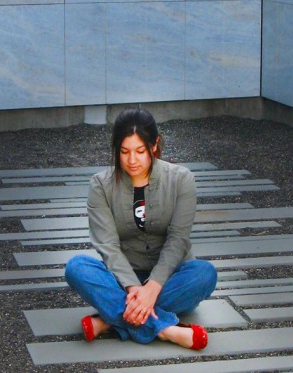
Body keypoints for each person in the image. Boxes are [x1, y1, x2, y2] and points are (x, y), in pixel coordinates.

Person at [64, 108, 217, 349]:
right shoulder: (100, 185)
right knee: (77, 268)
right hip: (123, 281)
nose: (132, 160)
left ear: (154, 145)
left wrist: (152, 288)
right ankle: (165, 329)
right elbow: (108, 247)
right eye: (124, 152)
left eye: (140, 151)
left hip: (170, 281)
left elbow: (178, 240)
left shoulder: (181, 179)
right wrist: (135, 288)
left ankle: (112, 320)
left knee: (205, 274)